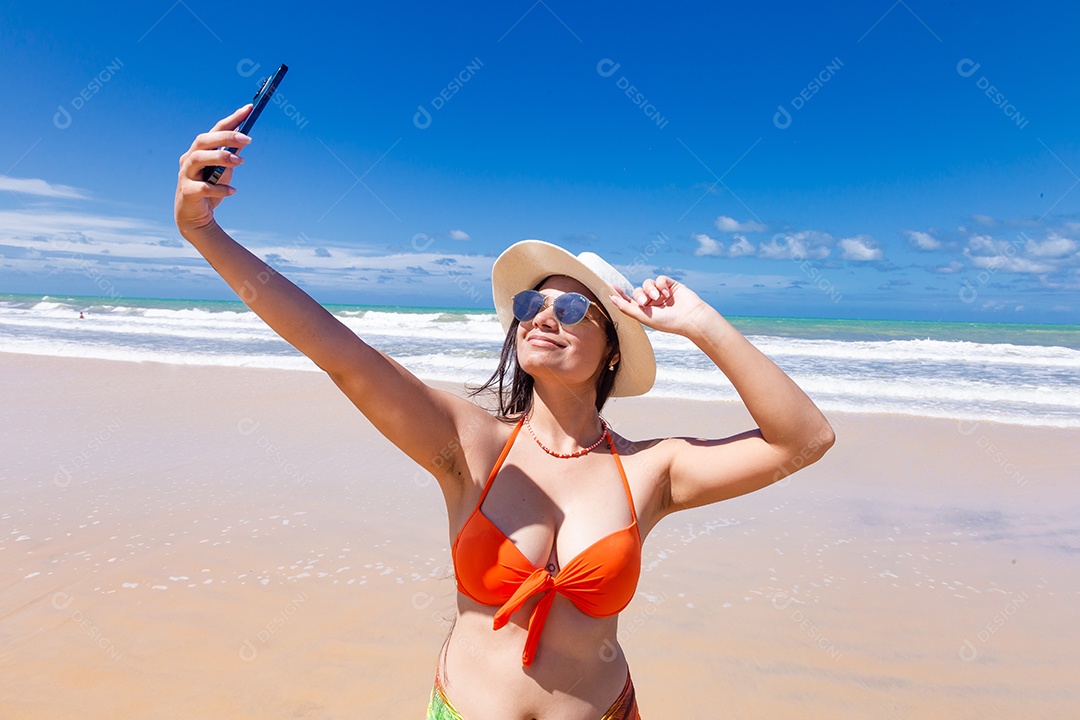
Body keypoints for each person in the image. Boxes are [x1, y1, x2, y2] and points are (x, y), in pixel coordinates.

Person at [174, 106, 835, 720]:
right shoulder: (469, 445)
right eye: (531, 304)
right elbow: (344, 355)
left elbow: (805, 440)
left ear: (612, 351)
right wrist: (204, 232)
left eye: (573, 309)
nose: (544, 315)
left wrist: (701, 324)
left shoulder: (651, 470)